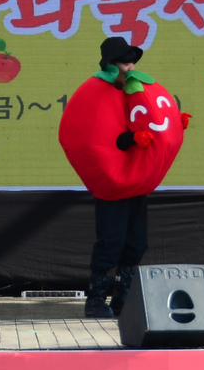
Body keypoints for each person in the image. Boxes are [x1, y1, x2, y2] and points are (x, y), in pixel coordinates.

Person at [58, 37, 188, 318]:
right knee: (111, 241)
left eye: (131, 63)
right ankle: (95, 300)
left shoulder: (133, 89)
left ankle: (123, 298)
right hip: (113, 185)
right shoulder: (96, 91)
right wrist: (130, 138)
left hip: (136, 182)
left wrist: (174, 124)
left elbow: (146, 118)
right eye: (123, 63)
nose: (129, 68)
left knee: (136, 242)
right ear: (109, 64)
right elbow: (97, 136)